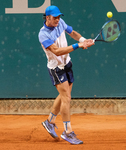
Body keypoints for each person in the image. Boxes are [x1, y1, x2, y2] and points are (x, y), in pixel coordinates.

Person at [38, 5, 94, 145]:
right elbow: (56, 51)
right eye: (55, 17)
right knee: (66, 98)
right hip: (56, 68)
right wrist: (77, 46)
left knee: (65, 94)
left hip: (67, 63)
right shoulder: (43, 34)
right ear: (47, 17)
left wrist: (83, 40)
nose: (57, 19)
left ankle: (50, 121)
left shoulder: (60, 23)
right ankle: (67, 132)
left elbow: (72, 32)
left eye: (58, 17)